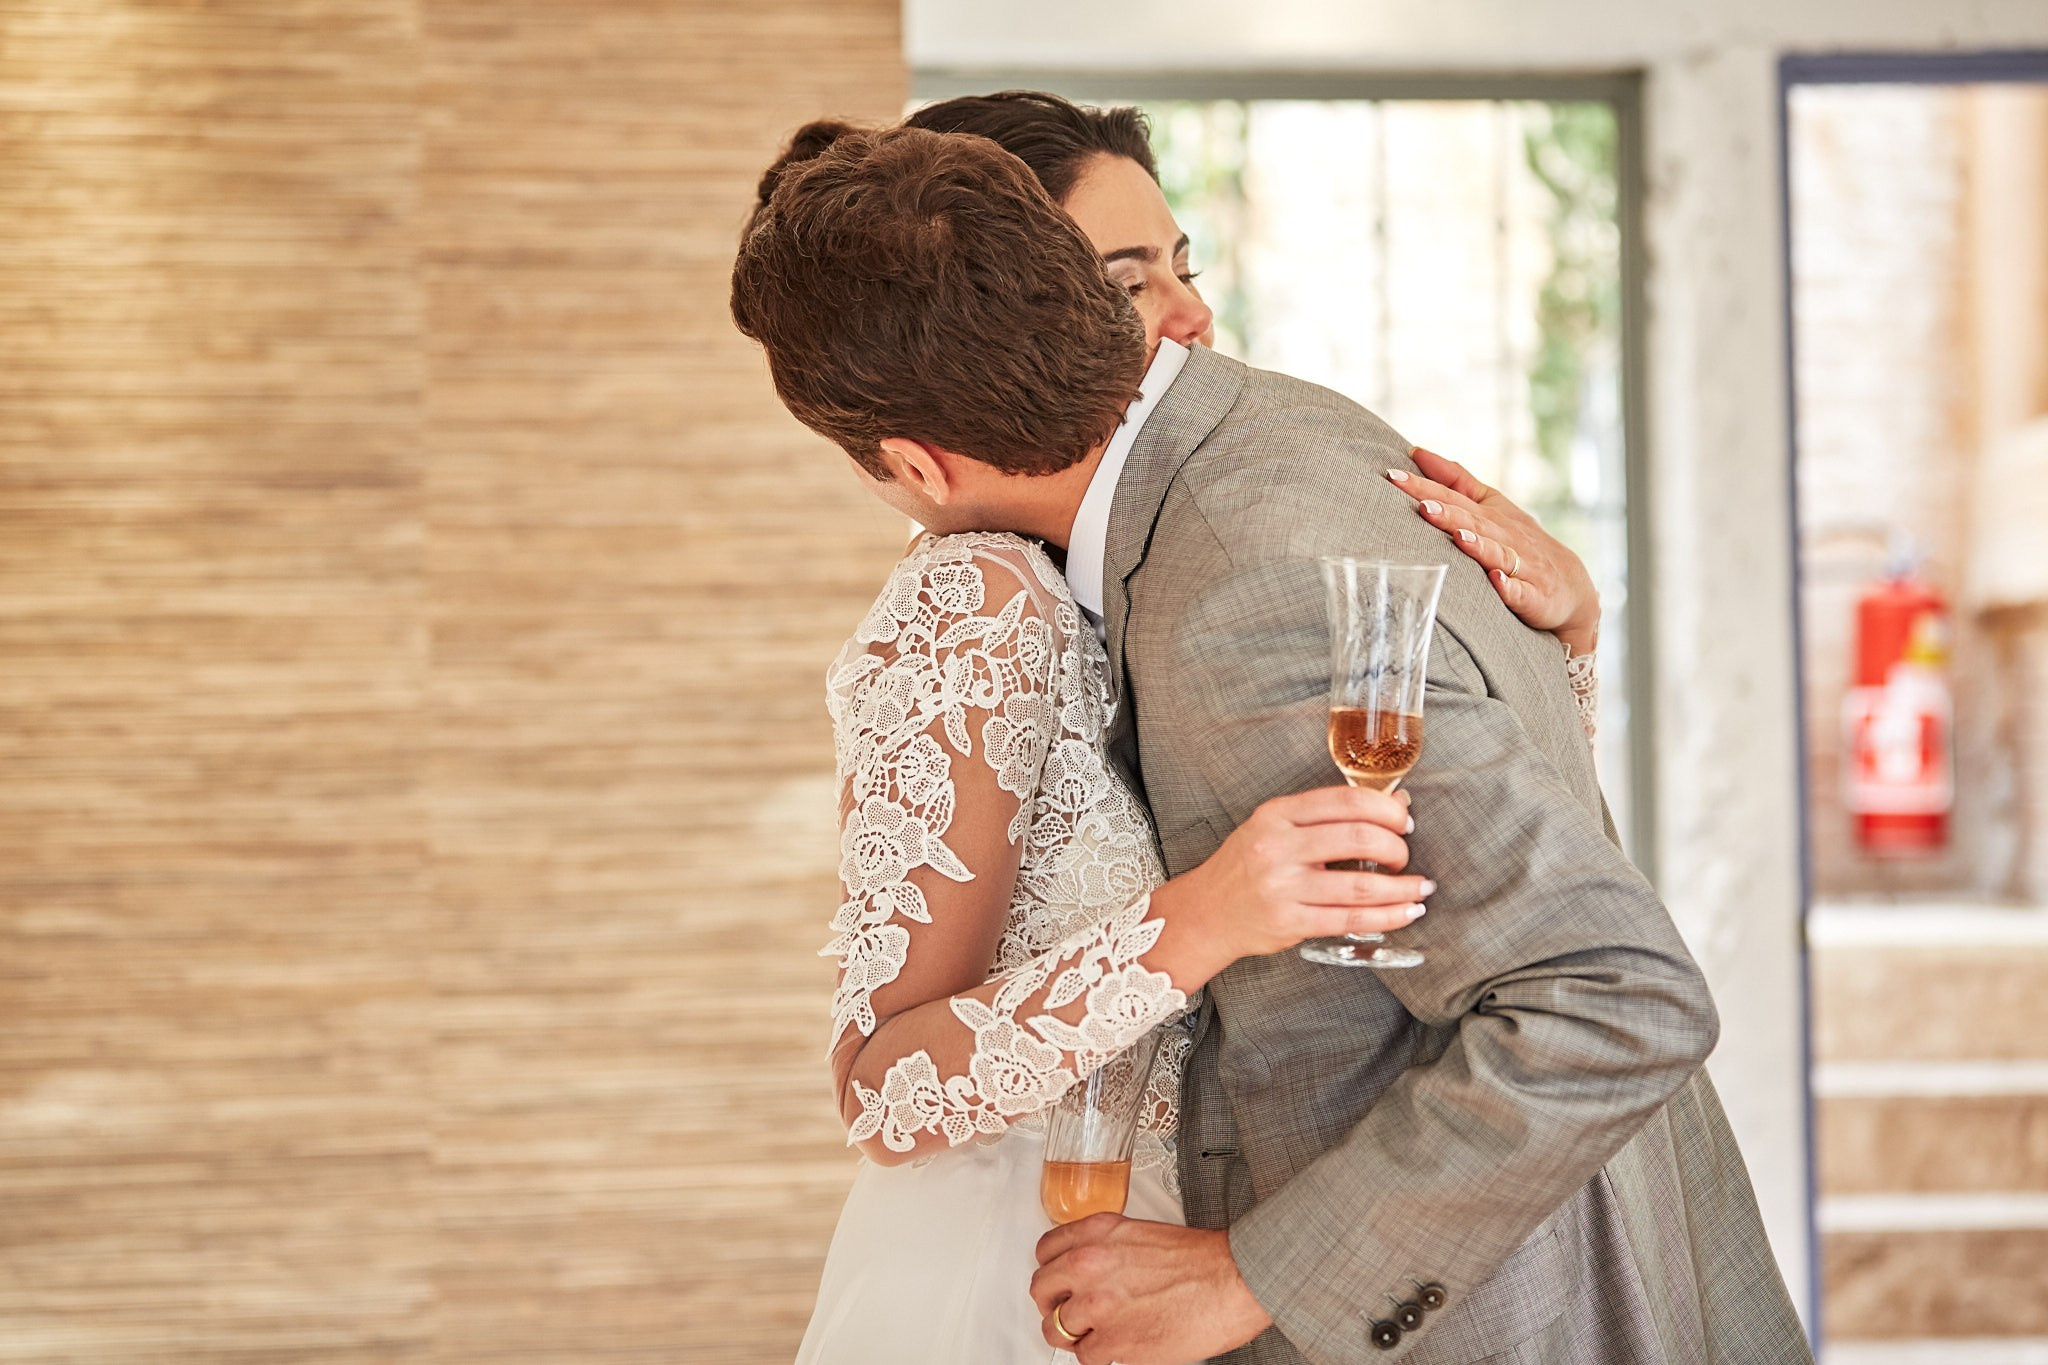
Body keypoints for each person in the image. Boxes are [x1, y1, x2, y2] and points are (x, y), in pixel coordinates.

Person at [734, 120, 1810, 1364]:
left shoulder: (1231, 586)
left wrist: (1251, 1275)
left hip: (1482, 1297)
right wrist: (1563, 654)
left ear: (914, 466)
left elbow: (1605, 986)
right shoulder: (1296, 433)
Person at [742, 123, 1432, 1364]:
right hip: (1019, 1271)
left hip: (1206, 1256)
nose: (1182, 317)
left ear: (903, 460)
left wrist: (1569, 643)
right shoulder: (971, 600)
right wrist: (1204, 917)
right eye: (1123, 281)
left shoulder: (1148, 564)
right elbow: (882, 1090)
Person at [906, 92, 1606, 736]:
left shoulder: (1239, 533)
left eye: (1186, 271)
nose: (1197, 315)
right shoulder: (962, 613)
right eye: (1125, 287)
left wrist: (1573, 633)